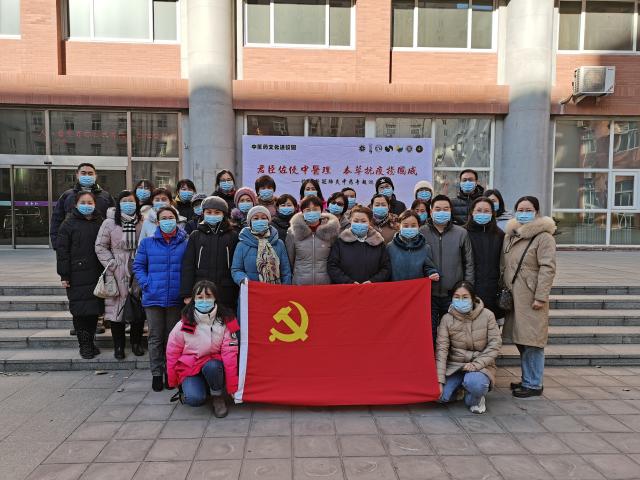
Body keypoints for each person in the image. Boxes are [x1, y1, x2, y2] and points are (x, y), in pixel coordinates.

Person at [502, 196, 557, 398]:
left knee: (533, 341)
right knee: (522, 339)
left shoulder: (544, 237)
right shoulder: (511, 235)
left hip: (531, 296)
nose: (523, 213)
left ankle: (534, 383)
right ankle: (528, 378)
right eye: (520, 209)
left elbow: (547, 268)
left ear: (537, 212)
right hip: (515, 296)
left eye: (528, 210)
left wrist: (541, 296)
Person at [133, 206, 188, 392]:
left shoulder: (185, 242)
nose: (167, 221)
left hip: (176, 298)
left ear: (176, 220)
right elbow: (138, 266)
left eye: (170, 217)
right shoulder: (147, 243)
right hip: (153, 297)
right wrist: (146, 283)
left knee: (172, 338)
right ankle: (157, 373)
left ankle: (170, 373)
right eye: (163, 218)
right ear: (157, 222)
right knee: (155, 337)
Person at [166, 280, 239, 417]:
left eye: (208, 296)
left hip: (213, 365)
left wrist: (232, 387)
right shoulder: (186, 322)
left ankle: (217, 396)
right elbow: (172, 353)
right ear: (193, 299)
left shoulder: (227, 320)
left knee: (213, 366)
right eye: (200, 297)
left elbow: (230, 355)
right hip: (190, 367)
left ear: (215, 297)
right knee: (195, 400)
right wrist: (173, 381)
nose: (204, 300)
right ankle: (193, 388)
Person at [436, 281, 502, 414]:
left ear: (473, 298)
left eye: (465, 297)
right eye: (456, 297)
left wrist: (476, 364)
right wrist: (439, 381)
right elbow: (441, 350)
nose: (460, 301)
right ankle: (460, 389)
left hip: (481, 366)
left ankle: (476, 398)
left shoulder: (487, 315)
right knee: (440, 396)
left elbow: (495, 344)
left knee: (476, 385)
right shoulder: (446, 319)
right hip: (456, 366)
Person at [94, 191, 145, 359]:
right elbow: (100, 246)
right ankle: (119, 346)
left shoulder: (143, 221)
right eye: (124, 201)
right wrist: (111, 263)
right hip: (116, 269)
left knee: (137, 306)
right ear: (118, 203)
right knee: (116, 309)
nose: (128, 204)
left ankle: (136, 343)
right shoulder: (109, 222)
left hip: (137, 266)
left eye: (131, 201)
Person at [56, 191, 104, 359]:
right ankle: (84, 345)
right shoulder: (68, 224)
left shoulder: (100, 221)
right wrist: (64, 275)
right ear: (76, 204)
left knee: (93, 311)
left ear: (95, 204)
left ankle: (90, 342)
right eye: (83, 202)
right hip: (77, 275)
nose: (86, 205)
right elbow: (62, 252)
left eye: (90, 202)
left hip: (97, 273)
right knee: (80, 311)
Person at [420, 195, 475, 342]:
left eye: (445, 209)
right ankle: (432, 357)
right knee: (428, 333)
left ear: (451, 211)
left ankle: (450, 357)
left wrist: (467, 289)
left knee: (453, 335)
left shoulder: (461, 233)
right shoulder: (421, 232)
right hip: (428, 294)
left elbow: (469, 263)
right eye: (438, 209)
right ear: (431, 211)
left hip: (453, 294)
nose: (442, 212)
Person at [180, 196, 239, 309]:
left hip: (226, 292)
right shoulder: (195, 235)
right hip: (201, 291)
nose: (213, 215)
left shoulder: (232, 236)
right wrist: (187, 293)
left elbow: (236, 265)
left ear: (224, 214)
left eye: (217, 212)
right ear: (203, 213)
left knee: (226, 319)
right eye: (209, 212)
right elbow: (188, 266)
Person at [50, 162, 114, 249]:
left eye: (90, 173)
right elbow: (56, 220)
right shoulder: (68, 196)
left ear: (95, 176)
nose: (87, 176)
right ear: (77, 175)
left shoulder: (105, 196)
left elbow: (113, 221)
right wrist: (57, 244)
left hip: (100, 246)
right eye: (83, 173)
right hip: (72, 247)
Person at [465, 197, 505, 320]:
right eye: (479, 210)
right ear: (472, 212)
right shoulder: (463, 233)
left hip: (493, 289)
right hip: (469, 288)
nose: (482, 213)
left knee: (491, 324)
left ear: (493, 213)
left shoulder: (500, 235)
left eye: (487, 211)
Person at [328, 205, 390, 284]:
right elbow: (332, 266)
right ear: (350, 221)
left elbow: (386, 268)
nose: (359, 224)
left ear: (370, 222)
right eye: (356, 221)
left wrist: (373, 281)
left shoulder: (378, 242)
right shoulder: (340, 242)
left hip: (372, 288)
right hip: (346, 288)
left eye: (363, 221)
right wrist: (348, 282)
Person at [286, 196, 340, 285]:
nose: (311, 212)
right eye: (308, 210)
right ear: (302, 212)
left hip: (325, 283)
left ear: (321, 211)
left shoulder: (330, 231)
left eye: (315, 209)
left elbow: (334, 260)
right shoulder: (293, 232)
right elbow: (290, 260)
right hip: (300, 283)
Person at [231, 206, 292, 285]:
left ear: (268, 221)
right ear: (250, 222)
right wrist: (244, 281)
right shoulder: (242, 244)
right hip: (252, 290)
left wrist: (284, 289)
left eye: (263, 218)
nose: (260, 221)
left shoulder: (279, 243)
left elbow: (286, 271)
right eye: (256, 218)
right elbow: (236, 269)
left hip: (276, 290)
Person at [387, 210, 440, 283]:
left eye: (413, 225)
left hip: (417, 288)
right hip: (397, 288)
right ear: (399, 226)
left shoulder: (425, 248)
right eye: (405, 226)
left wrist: (432, 273)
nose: (409, 228)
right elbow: (386, 270)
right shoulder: (390, 247)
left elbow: (428, 267)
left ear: (419, 226)